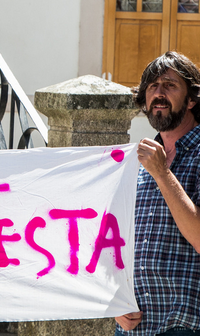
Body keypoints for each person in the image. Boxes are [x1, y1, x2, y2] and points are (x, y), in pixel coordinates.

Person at [115, 51, 200, 336]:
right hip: (132, 327)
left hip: (184, 326)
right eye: (152, 86)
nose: (159, 93)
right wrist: (116, 299)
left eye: (170, 85)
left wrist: (162, 173)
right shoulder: (134, 163)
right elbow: (114, 242)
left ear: (191, 99)